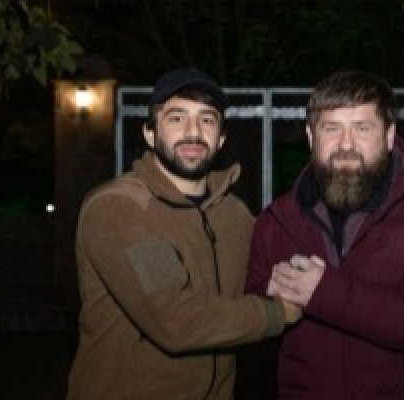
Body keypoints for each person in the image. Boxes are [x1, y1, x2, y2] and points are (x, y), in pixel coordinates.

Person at [246, 70, 404, 399]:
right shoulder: (277, 220)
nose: (346, 144)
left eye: (362, 128)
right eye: (331, 128)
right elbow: (251, 319)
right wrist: (268, 301)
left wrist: (325, 292)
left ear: (388, 135)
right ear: (311, 137)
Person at [66, 67, 300, 400]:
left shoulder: (234, 214)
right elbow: (174, 319)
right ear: (150, 134)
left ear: (221, 139)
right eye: (177, 118)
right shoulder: (120, 209)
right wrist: (276, 313)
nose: (193, 132)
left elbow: (266, 277)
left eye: (207, 120)